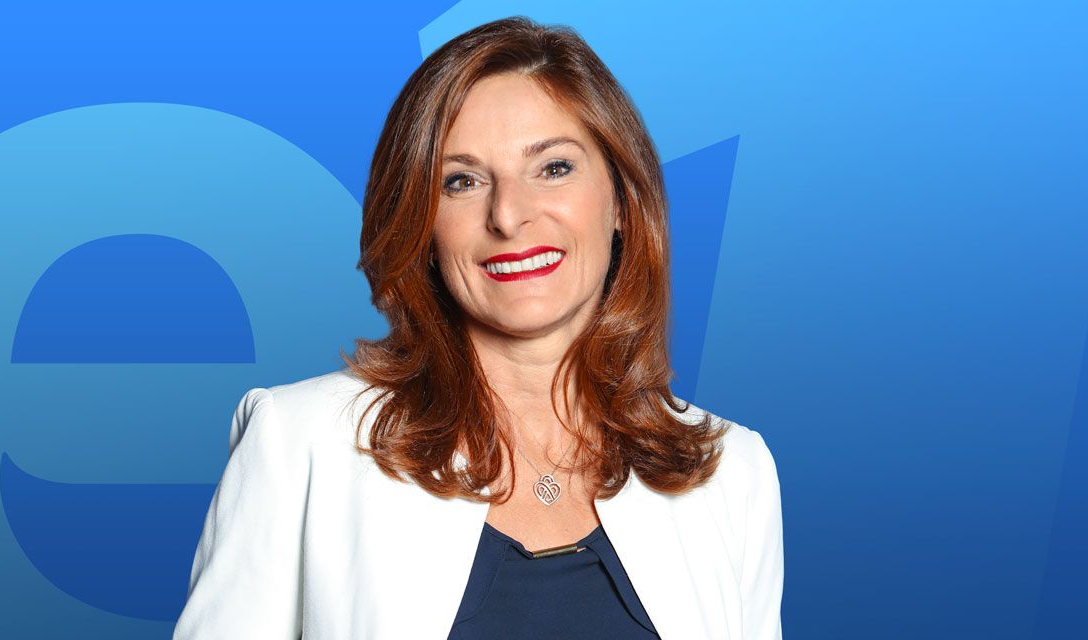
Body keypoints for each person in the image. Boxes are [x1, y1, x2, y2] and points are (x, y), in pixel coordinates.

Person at [172, 15, 783, 640]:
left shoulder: (731, 472)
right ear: (422, 225)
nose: (509, 215)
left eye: (553, 168)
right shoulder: (298, 444)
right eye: (461, 181)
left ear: (622, 200)